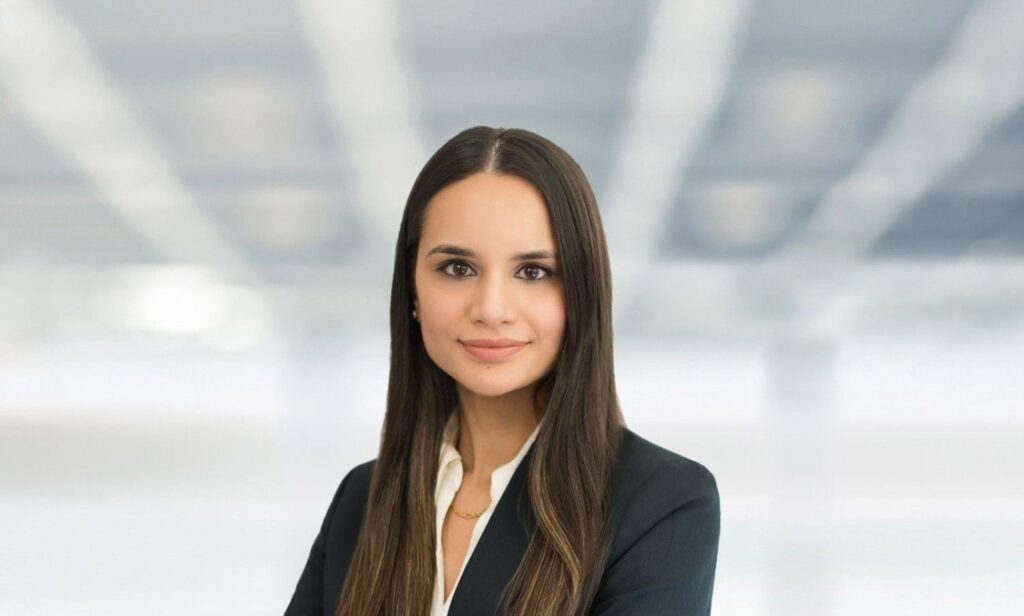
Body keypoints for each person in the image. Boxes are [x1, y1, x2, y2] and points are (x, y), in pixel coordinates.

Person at [284, 126, 720, 616]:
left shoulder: (660, 502)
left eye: (533, 272)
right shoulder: (361, 502)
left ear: (581, 293)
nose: (492, 309)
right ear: (412, 290)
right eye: (457, 268)